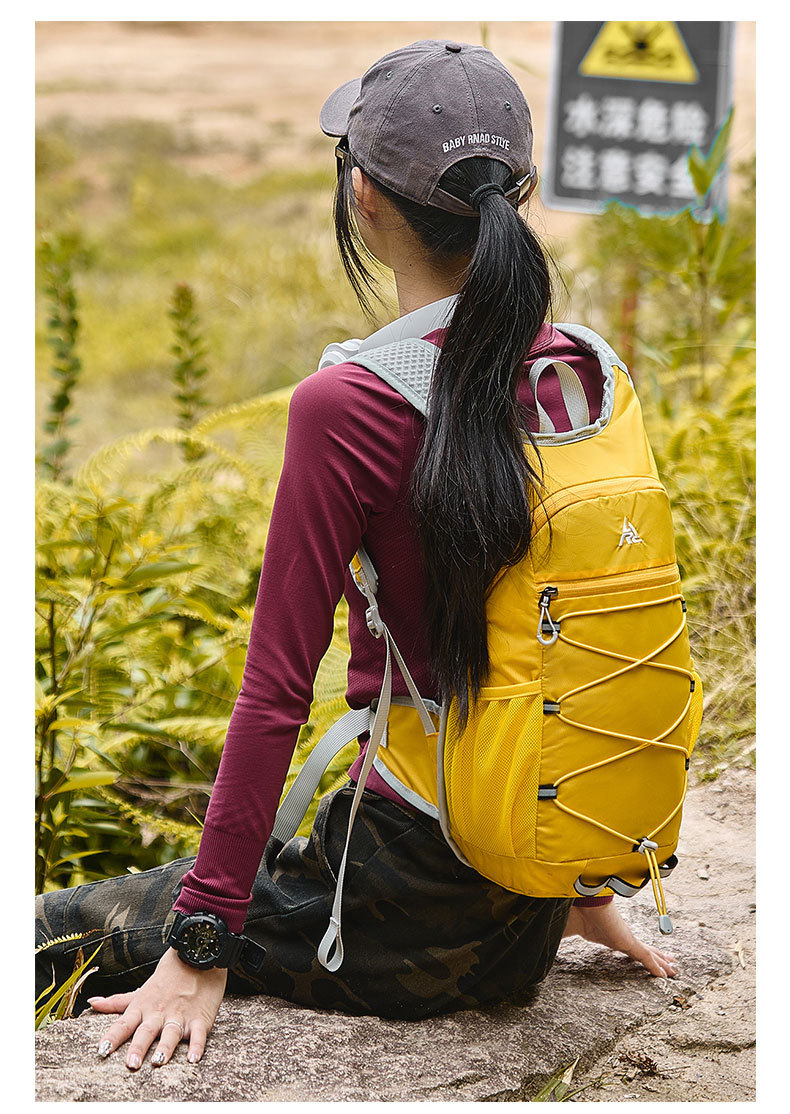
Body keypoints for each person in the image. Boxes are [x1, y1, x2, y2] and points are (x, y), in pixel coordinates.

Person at [35, 39, 678, 1072]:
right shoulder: (586, 373)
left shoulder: (352, 403)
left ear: (364, 197)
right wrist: (578, 887)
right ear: (520, 193)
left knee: (48, 930)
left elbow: (274, 693)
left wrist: (203, 943)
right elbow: (574, 634)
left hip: (397, 908)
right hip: (520, 905)